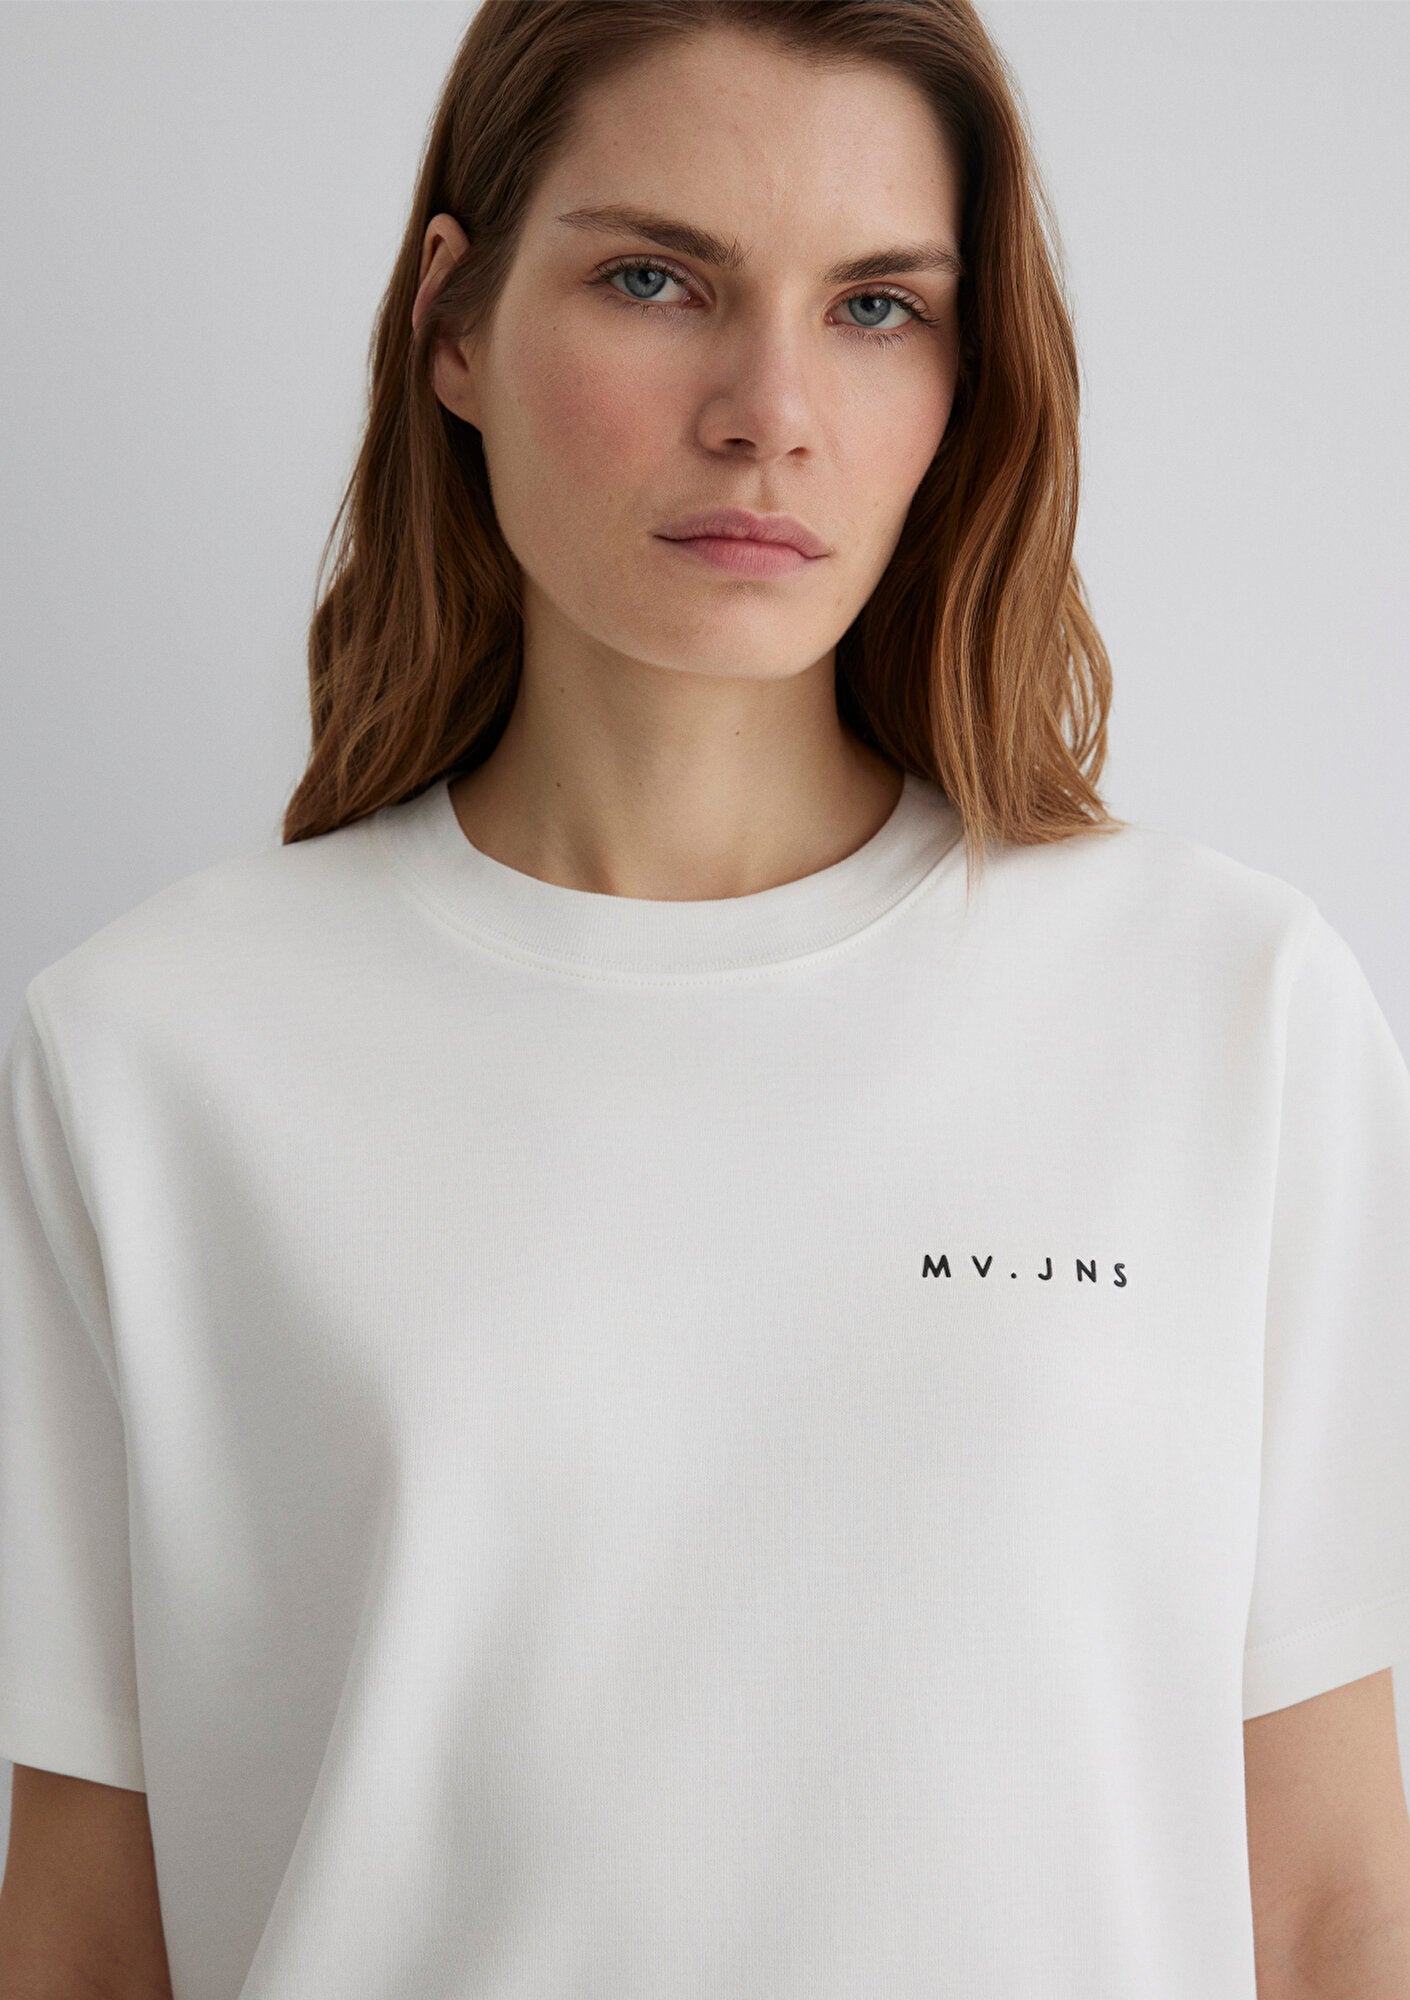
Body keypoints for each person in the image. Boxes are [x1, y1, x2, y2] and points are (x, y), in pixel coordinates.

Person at [2, 2, 1409, 1995]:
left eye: (876, 307)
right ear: (455, 322)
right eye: (656, 281)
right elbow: (81, 1937)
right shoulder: (151, 1054)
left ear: (968, 376)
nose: (770, 411)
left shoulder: (1227, 1014)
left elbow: (1335, 1903)